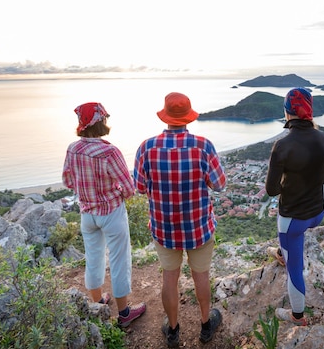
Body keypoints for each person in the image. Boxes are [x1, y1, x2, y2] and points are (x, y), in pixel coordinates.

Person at [133, 92, 227, 347]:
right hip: (198, 227)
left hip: (165, 229)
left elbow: (140, 187)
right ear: (188, 117)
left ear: (166, 116)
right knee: (201, 277)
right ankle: (206, 325)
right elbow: (219, 184)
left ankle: (173, 330)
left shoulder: (147, 147)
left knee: (169, 278)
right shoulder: (203, 146)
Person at [62, 102, 146, 328]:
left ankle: (98, 302)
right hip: (111, 212)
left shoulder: (73, 148)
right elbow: (129, 188)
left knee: (93, 257)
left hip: (87, 213)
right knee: (119, 260)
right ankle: (125, 312)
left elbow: (67, 181)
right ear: (101, 122)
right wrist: (114, 192)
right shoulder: (110, 152)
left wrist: (87, 191)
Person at [265, 88, 324, 326]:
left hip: (293, 220)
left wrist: (290, 181)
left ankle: (297, 316)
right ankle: (282, 253)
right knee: (289, 244)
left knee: (295, 268)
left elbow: (272, 190)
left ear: (287, 112)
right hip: (317, 214)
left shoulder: (282, 145)